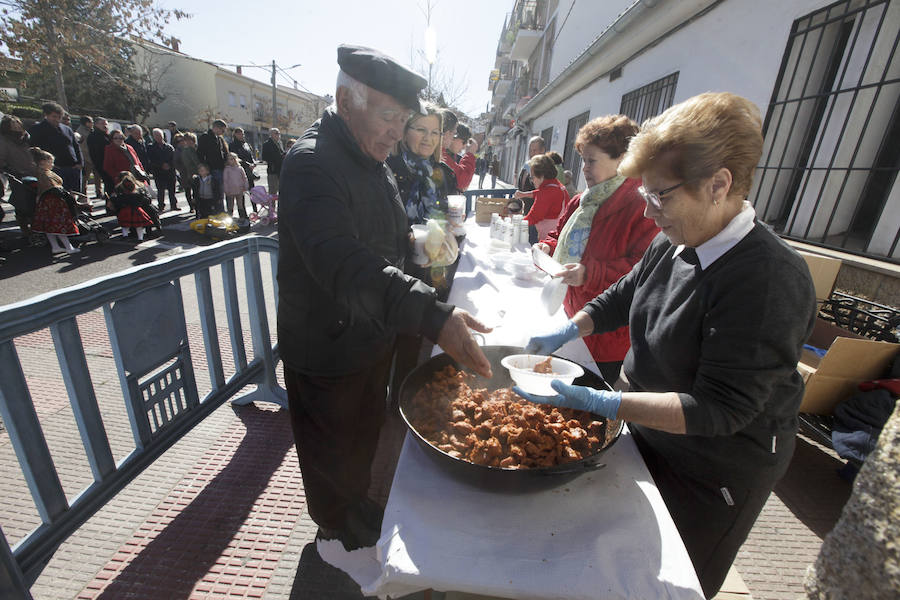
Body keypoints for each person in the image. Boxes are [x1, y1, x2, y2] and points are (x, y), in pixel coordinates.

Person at [517, 92, 817, 598]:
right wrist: (571, 329)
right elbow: (625, 293)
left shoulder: (767, 279)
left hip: (711, 470)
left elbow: (720, 409)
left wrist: (600, 400)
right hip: (649, 433)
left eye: (661, 195)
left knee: (669, 582)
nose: (650, 213)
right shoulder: (676, 238)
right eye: (646, 194)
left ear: (719, 185)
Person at [278, 44, 492, 553]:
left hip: (369, 332)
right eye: (390, 116)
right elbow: (343, 262)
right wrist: (430, 315)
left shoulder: (369, 156)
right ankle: (333, 529)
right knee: (331, 445)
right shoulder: (314, 164)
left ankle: (354, 506)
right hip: (327, 343)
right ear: (345, 100)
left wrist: (419, 247)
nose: (398, 132)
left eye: (404, 119)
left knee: (362, 434)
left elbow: (385, 239)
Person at [534, 115, 659, 384]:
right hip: (570, 312)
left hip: (607, 333)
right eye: (583, 160)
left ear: (623, 159)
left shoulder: (641, 206)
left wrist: (589, 273)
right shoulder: (582, 199)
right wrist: (548, 245)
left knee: (587, 400)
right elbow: (561, 235)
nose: (584, 169)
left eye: (592, 161)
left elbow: (643, 270)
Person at [386, 102, 457, 225]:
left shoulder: (447, 174)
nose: (428, 138)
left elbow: (451, 231)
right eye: (421, 130)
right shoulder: (385, 170)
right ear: (405, 132)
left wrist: (455, 226)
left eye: (435, 132)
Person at [29, 147, 81, 254]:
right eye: (50, 162)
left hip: (46, 201)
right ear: (43, 162)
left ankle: (55, 246)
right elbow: (53, 188)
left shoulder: (40, 172)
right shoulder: (45, 174)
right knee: (59, 225)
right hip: (54, 201)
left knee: (49, 226)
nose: (52, 164)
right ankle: (68, 247)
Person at [27, 102, 83, 193]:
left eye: (59, 117)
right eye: (54, 117)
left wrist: (80, 163)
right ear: (46, 115)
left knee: (75, 196)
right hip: (54, 169)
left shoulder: (66, 129)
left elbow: (76, 146)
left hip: (73, 168)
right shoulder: (36, 129)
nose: (57, 119)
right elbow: (33, 150)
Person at [513, 153, 568, 242]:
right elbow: (539, 193)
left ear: (541, 176)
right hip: (560, 235)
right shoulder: (555, 185)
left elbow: (532, 218)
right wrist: (524, 194)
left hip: (550, 240)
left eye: (532, 177)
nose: (532, 181)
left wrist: (512, 224)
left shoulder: (546, 193)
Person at [0, 115, 38, 237]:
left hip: (33, 171)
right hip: (16, 173)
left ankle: (35, 226)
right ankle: (24, 228)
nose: (16, 125)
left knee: (34, 200)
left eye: (17, 122)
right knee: (22, 201)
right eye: (13, 123)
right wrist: (6, 168)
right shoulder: (4, 139)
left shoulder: (27, 137)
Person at [110, 171, 157, 241]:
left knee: (150, 210)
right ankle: (138, 236)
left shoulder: (140, 185)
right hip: (132, 208)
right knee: (138, 224)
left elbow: (147, 198)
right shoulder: (118, 188)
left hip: (139, 206)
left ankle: (148, 231)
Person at [197, 119, 229, 203]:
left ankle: (220, 209)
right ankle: (216, 210)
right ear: (216, 128)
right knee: (215, 192)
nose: (223, 132)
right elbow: (200, 153)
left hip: (220, 167)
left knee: (220, 191)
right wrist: (205, 168)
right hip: (211, 168)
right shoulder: (205, 137)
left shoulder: (218, 138)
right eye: (222, 130)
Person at [147, 128, 178, 212]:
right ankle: (161, 205)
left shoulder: (169, 147)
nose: (158, 137)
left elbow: (174, 159)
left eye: (160, 135)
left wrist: (169, 165)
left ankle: (174, 205)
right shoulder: (151, 147)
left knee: (172, 190)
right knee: (160, 190)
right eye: (156, 136)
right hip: (159, 172)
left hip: (170, 171)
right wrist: (161, 165)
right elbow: (151, 159)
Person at [441, 122, 477, 192]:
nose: (464, 147)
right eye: (464, 142)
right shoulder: (442, 155)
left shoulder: (452, 155)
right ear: (453, 137)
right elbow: (462, 182)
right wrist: (470, 154)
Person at [87, 117, 114, 198]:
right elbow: (94, 153)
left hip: (110, 162)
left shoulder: (107, 135)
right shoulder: (93, 136)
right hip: (102, 163)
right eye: (102, 124)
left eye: (106, 124)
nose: (105, 126)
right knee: (109, 183)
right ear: (96, 125)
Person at [223, 152, 249, 219]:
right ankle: (229, 219)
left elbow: (244, 178)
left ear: (235, 159)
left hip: (240, 190)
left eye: (232, 159)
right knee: (230, 206)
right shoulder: (227, 169)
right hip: (230, 191)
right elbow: (225, 180)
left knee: (240, 205)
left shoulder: (240, 168)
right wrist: (226, 190)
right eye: (229, 159)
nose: (231, 161)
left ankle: (242, 219)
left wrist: (245, 186)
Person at [261, 127, 285, 195]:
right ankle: (272, 205)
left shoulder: (280, 143)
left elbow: (281, 153)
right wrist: (279, 157)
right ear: (271, 134)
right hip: (273, 170)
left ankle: (279, 205)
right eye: (276, 133)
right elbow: (265, 157)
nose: (278, 135)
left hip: (280, 170)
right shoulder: (267, 144)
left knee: (281, 190)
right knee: (272, 190)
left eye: (279, 133)